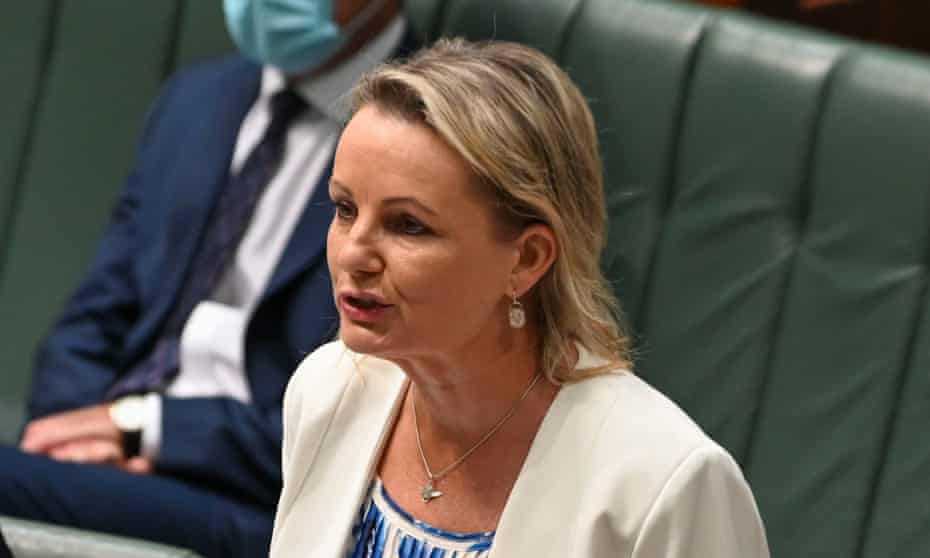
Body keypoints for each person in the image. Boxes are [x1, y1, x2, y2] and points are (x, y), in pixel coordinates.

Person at [269, 38, 771, 557]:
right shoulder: (327, 390)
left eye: (408, 226)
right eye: (345, 208)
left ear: (527, 259)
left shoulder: (665, 487)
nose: (354, 254)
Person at [0, 1, 414, 556]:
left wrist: (148, 430)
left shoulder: (424, 138)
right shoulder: (197, 98)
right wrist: (71, 432)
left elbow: (362, 419)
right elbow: (96, 311)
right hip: (105, 461)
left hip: (260, 499)